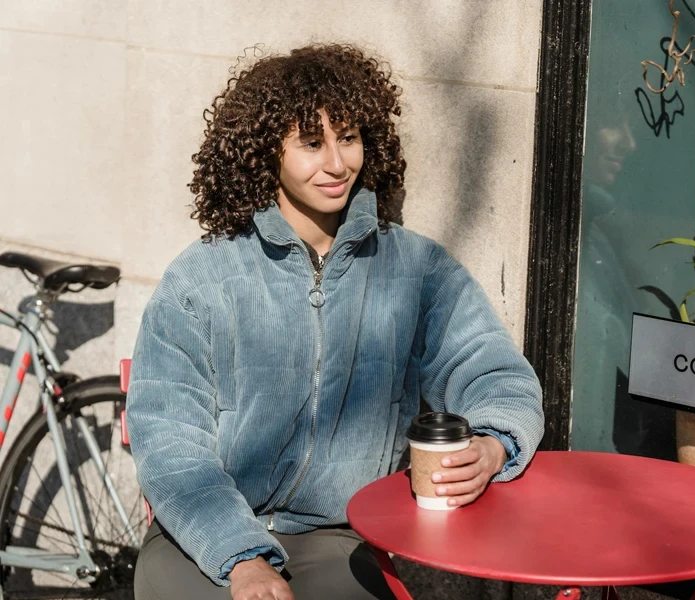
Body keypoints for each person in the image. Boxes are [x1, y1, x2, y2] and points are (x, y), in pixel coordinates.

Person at [127, 44, 544, 600]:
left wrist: (494, 442)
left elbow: (493, 370)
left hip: (342, 536)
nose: (336, 163)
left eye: (347, 138)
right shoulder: (201, 280)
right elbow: (169, 442)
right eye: (310, 142)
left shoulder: (415, 270)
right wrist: (242, 559)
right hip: (206, 539)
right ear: (264, 152)